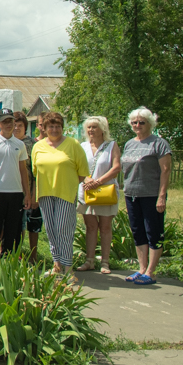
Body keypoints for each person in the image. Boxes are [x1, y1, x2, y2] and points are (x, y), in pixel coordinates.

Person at [30, 111, 90, 281]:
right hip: (45, 194)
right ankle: (57, 265)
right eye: (51, 126)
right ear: (45, 128)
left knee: (64, 229)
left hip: (65, 193)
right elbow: (36, 173)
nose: (54, 129)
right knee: (51, 229)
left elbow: (82, 172)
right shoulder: (38, 146)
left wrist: (68, 184)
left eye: (58, 126)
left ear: (62, 128)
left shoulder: (73, 144)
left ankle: (68, 268)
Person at [121, 107, 172, 286]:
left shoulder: (159, 143)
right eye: (134, 122)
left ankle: (151, 271)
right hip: (131, 194)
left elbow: (166, 171)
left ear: (150, 123)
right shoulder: (129, 144)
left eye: (141, 122)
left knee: (153, 231)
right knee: (138, 231)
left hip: (151, 194)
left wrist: (162, 196)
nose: (137, 125)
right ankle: (142, 268)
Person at [77, 116, 121, 274]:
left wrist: (99, 181)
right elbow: (78, 166)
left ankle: (105, 262)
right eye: (88, 127)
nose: (91, 130)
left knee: (105, 227)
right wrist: (88, 180)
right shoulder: (82, 146)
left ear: (103, 129)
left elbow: (116, 167)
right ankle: (89, 260)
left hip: (105, 191)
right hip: (87, 191)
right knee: (90, 226)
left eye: (94, 127)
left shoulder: (111, 145)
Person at [0, 109, 31, 254]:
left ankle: (10, 263)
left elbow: (23, 170)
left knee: (13, 232)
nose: (8, 124)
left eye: (10, 121)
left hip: (16, 193)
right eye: (5, 122)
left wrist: (27, 194)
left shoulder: (20, 144)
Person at [14, 111, 43, 263]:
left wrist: (33, 194)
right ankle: (18, 254)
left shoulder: (33, 145)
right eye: (14, 125)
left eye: (20, 125)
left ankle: (33, 257)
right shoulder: (8, 142)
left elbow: (37, 173)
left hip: (30, 192)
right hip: (13, 192)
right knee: (18, 226)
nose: (17, 128)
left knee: (33, 226)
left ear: (25, 127)